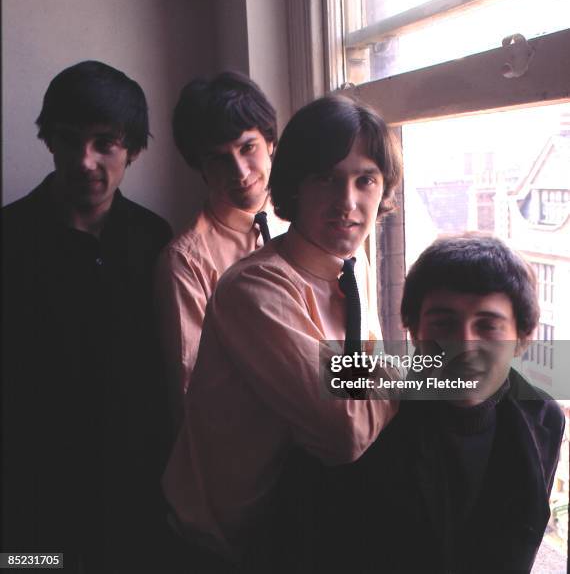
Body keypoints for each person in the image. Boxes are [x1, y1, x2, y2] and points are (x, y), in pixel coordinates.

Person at [161, 94, 403, 571]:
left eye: (365, 180)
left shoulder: (354, 266)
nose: (348, 203)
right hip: (224, 540)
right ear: (294, 185)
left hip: (298, 525)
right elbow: (344, 430)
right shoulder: (254, 288)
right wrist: (422, 370)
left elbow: (357, 382)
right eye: (326, 179)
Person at [1, 60, 173, 571]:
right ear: (49, 141)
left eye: (105, 143)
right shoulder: (9, 238)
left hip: (133, 488)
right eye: (69, 139)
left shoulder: (154, 240)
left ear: (133, 150)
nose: (84, 160)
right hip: (28, 492)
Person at [319, 234, 565, 573]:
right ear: (414, 331)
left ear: (522, 338)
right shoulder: (370, 416)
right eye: (444, 323)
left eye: (488, 326)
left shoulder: (544, 417)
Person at [155, 72, 287, 403]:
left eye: (248, 147)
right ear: (199, 165)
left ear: (271, 142)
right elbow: (196, 390)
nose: (240, 172)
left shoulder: (309, 222)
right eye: (219, 158)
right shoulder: (186, 261)